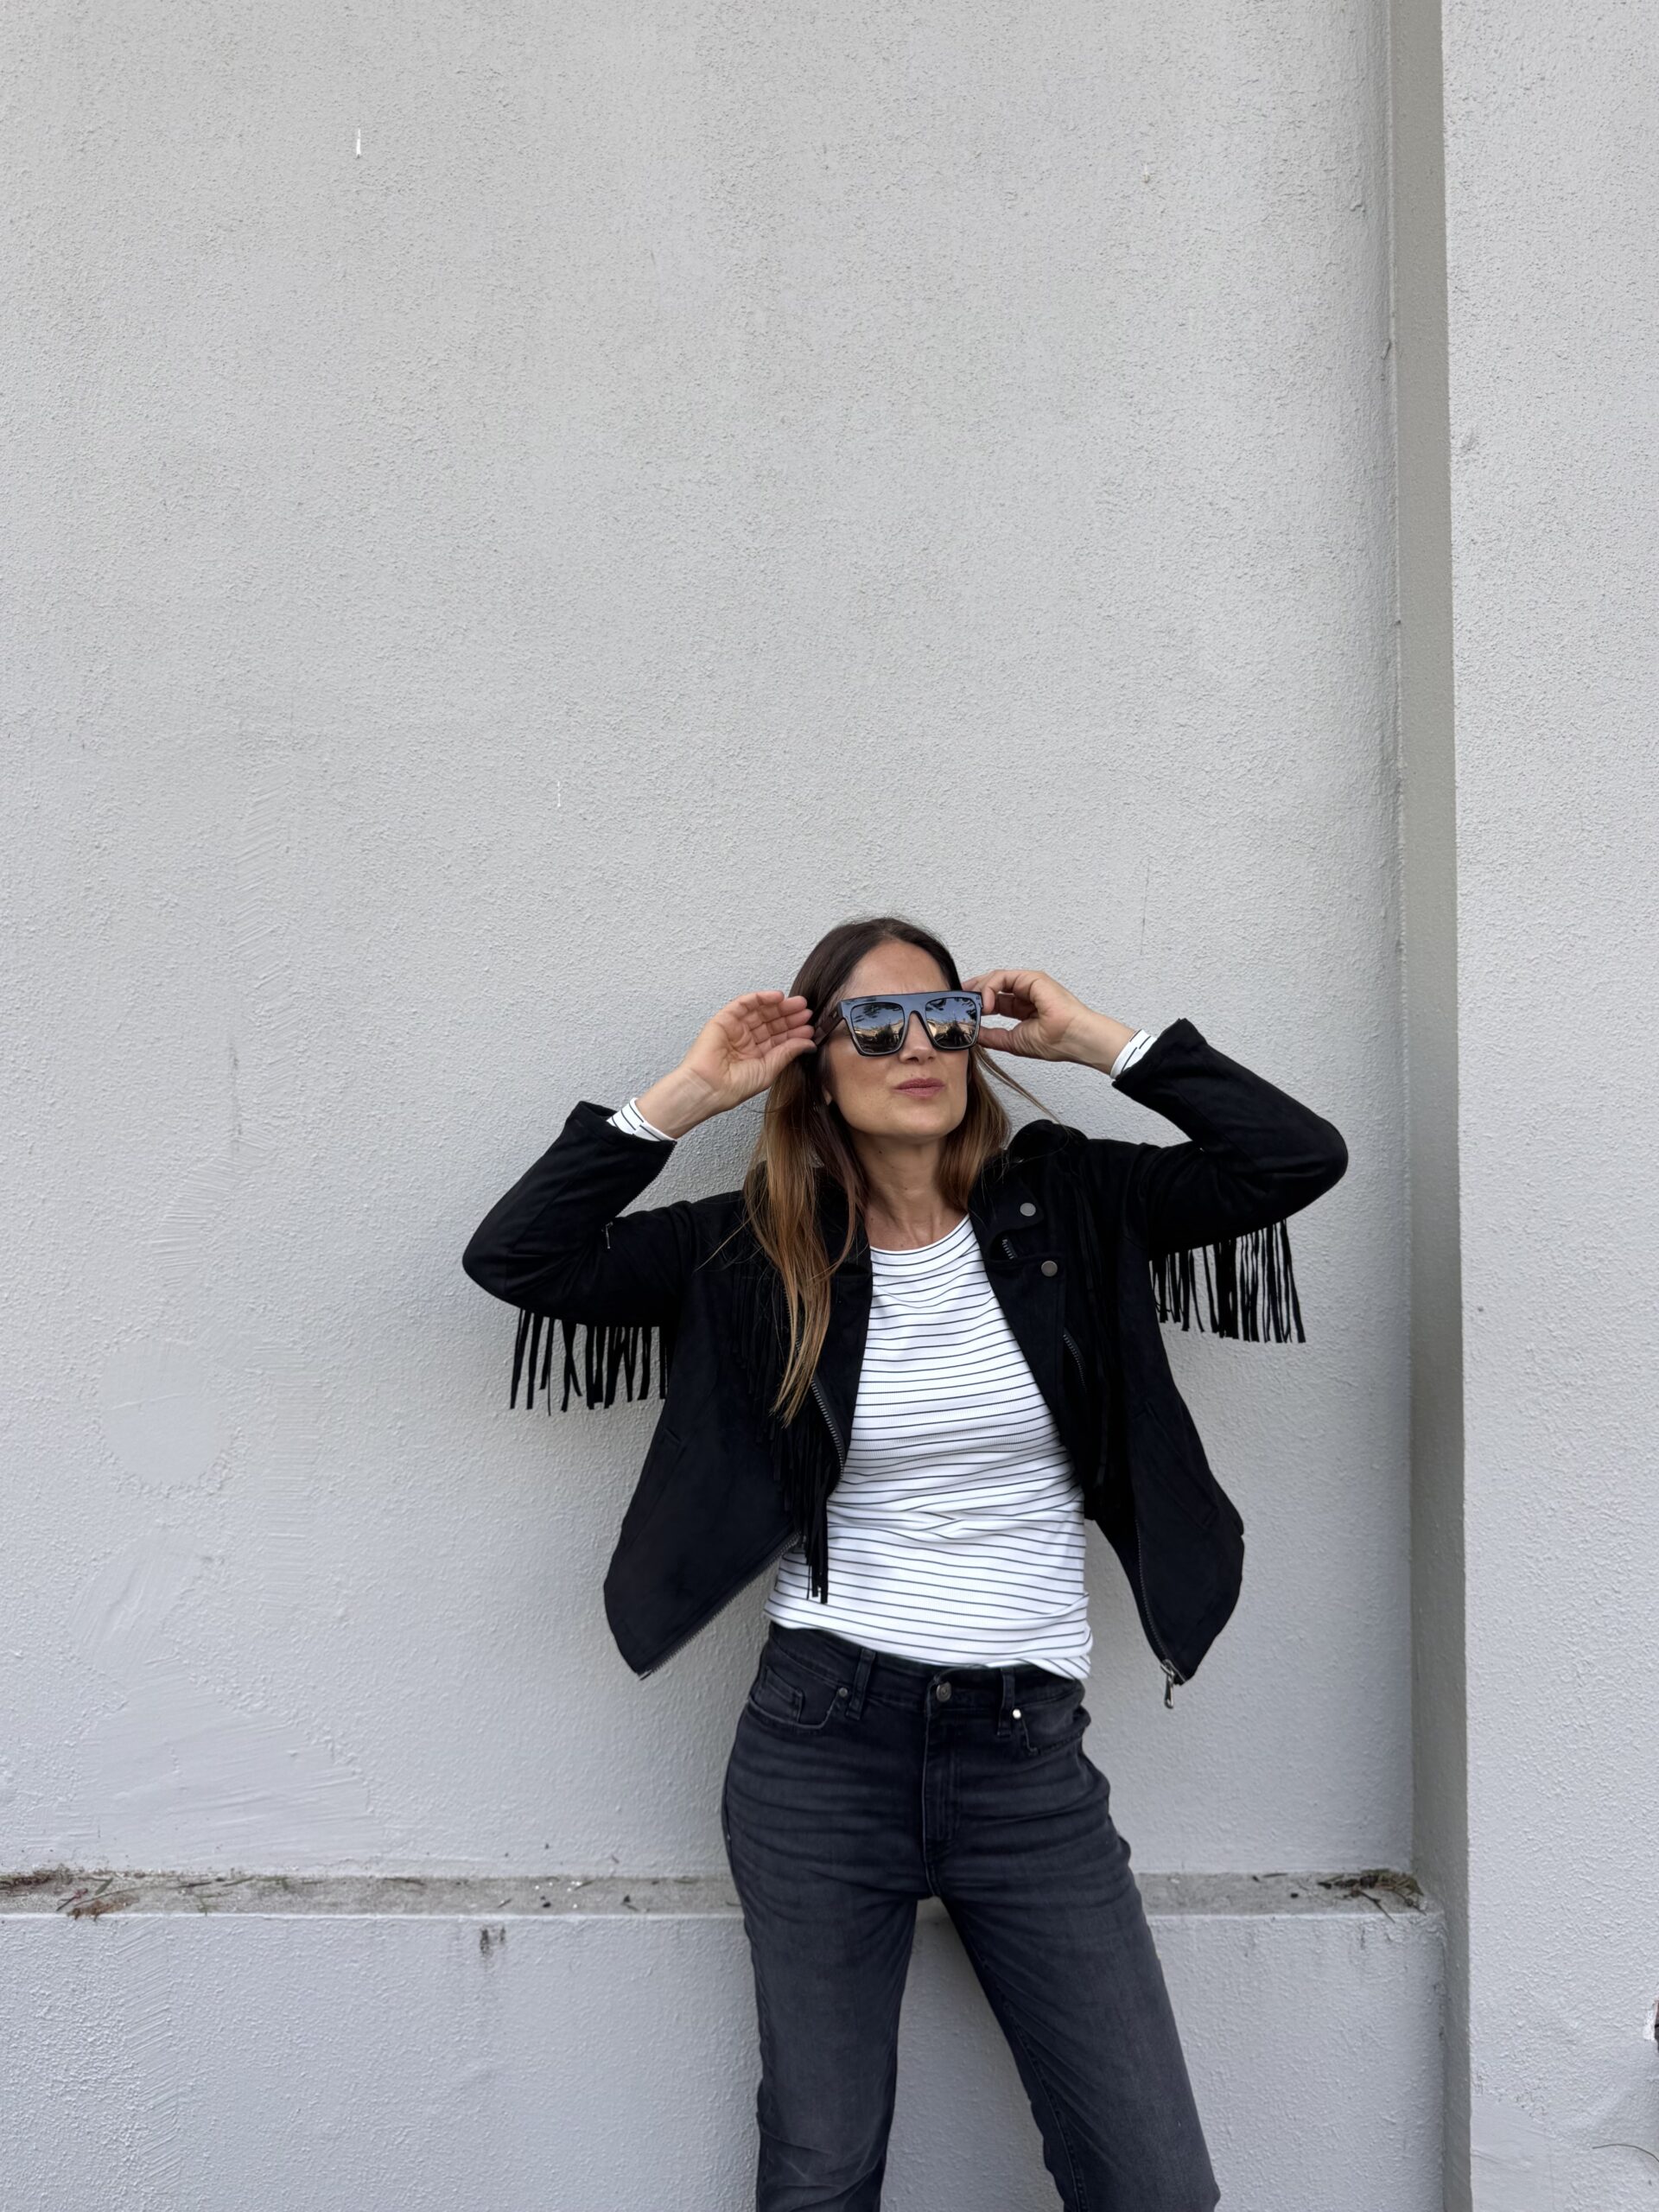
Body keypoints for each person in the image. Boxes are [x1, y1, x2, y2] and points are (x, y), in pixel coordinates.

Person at [461, 912, 1348, 2211]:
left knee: (1154, 2182)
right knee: (822, 2171)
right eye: (874, 1024)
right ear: (818, 1066)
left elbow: (1295, 1157)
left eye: (944, 1015)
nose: (917, 1043)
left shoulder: (1076, 1206)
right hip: (823, 1748)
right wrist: (692, 1092)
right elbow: (518, 1256)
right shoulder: (755, 1249)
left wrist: (1095, 1040)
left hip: (1028, 1759)